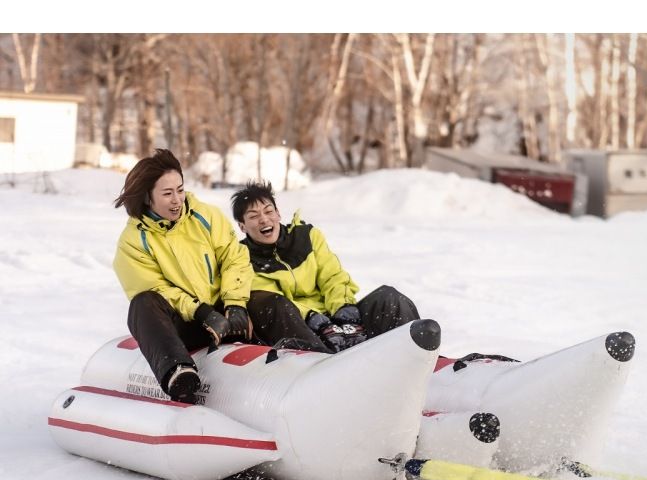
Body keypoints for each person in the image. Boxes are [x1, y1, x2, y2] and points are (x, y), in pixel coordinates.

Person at [112, 149, 253, 404]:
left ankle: (312, 355)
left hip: (226, 316)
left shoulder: (206, 216)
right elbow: (156, 289)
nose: (177, 200)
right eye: (167, 194)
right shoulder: (132, 242)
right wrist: (201, 312)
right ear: (147, 197)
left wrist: (235, 304)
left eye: (180, 189)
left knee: (267, 299)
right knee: (143, 304)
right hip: (187, 326)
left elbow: (234, 257)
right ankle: (179, 373)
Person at [231, 180, 419, 353]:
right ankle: (324, 367)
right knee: (269, 303)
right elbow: (270, 298)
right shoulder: (241, 257)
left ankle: (416, 356)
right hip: (301, 329)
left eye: (268, 211)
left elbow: (332, 276)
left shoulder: (307, 237)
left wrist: (343, 308)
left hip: (337, 321)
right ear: (242, 226)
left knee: (389, 297)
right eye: (254, 216)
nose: (264, 219)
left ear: (278, 213)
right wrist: (311, 317)